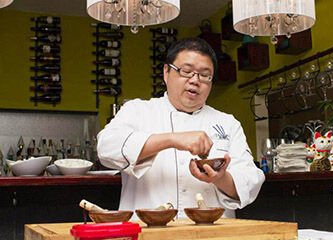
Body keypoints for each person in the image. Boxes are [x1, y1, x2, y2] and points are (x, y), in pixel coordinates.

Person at [97, 37, 265, 219]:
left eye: (204, 75)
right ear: (166, 72)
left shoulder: (228, 123)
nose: (195, 80)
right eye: (186, 71)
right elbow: (106, 149)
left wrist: (219, 178)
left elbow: (249, 183)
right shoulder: (137, 111)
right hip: (148, 236)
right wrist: (172, 139)